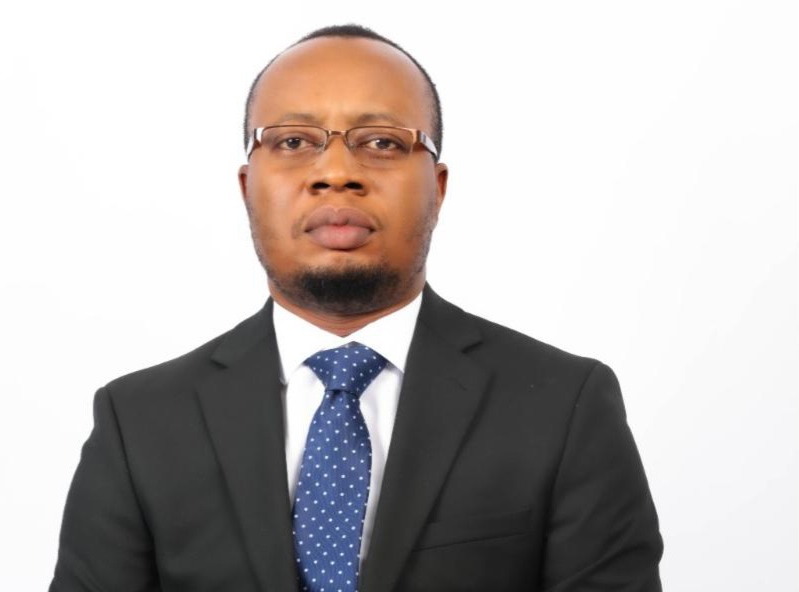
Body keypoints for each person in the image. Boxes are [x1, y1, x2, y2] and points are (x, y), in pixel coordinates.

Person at [49, 24, 663, 592]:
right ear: (247, 187)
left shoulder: (563, 407)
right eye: (293, 141)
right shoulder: (140, 423)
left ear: (438, 187)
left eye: (382, 142)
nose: (337, 172)